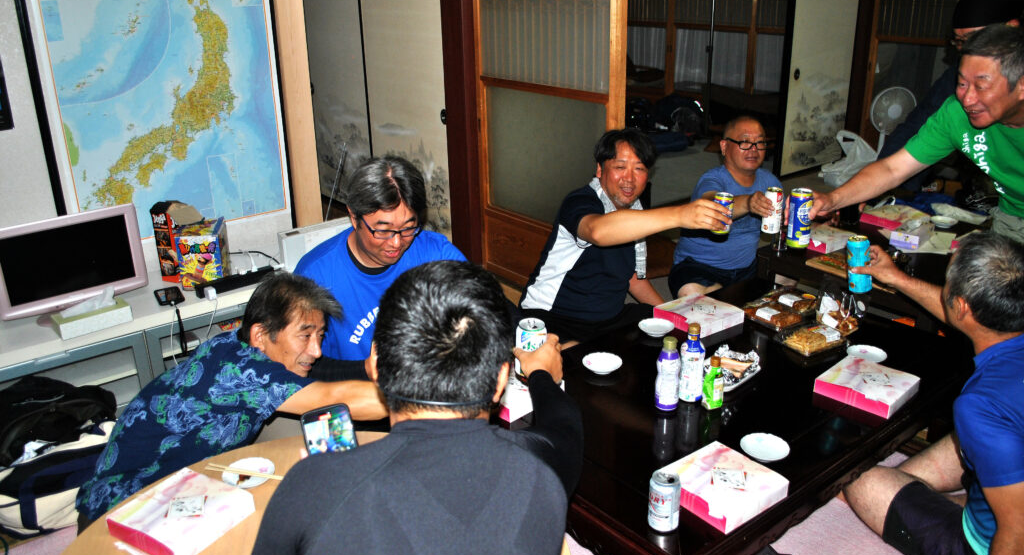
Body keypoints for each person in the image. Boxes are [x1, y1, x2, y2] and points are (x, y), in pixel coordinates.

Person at [227, 261, 584, 555]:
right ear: (500, 380)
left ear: (377, 368)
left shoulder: (312, 486)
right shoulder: (543, 469)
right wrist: (540, 374)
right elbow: (565, 423)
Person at [74, 272, 386, 528]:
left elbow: (322, 369)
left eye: (320, 336)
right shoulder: (237, 372)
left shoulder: (238, 347)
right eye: (305, 336)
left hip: (185, 485)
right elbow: (336, 398)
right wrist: (422, 389)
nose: (316, 349)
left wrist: (367, 369)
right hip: (119, 508)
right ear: (261, 335)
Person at [843, 232, 1024, 555]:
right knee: (978, 439)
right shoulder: (1007, 328)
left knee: (858, 478)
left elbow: (1020, 533)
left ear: (961, 305)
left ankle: (955, 515)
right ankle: (945, 500)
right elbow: (973, 318)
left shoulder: (981, 405)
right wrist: (897, 278)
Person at [809, 24, 1024, 243]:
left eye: (981, 86)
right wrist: (832, 199)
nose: (967, 98)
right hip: (1011, 215)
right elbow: (893, 168)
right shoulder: (955, 114)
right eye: (961, 83)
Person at [519, 128, 732, 342]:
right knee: (566, 365)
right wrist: (679, 214)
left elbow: (632, 278)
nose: (629, 178)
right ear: (600, 170)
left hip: (607, 320)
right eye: (620, 167)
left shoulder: (636, 211)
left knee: (669, 336)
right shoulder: (580, 201)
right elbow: (598, 231)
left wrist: (671, 314)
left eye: (639, 168)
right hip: (554, 316)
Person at [295, 155, 466, 370]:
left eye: (407, 227)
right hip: (353, 393)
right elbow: (301, 367)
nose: (396, 242)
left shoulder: (434, 253)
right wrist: (364, 371)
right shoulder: (316, 275)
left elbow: (481, 309)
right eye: (383, 230)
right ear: (354, 216)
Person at [877, 0, 1024, 193]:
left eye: (974, 39)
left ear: (1010, 28)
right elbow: (919, 124)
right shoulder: (965, 73)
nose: (965, 50)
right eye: (959, 41)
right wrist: (884, 191)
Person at [668, 116, 782, 297]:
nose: (754, 149)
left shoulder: (770, 181)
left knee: (788, 277)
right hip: (700, 267)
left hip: (748, 268)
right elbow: (711, 206)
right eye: (745, 142)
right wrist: (748, 202)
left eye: (760, 142)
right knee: (693, 294)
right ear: (724, 147)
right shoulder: (712, 179)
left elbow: (780, 223)